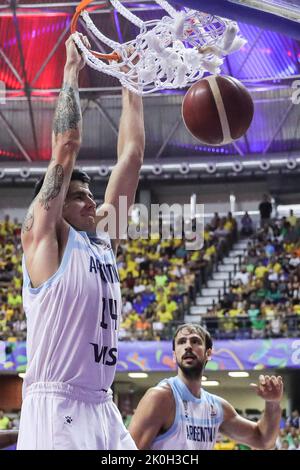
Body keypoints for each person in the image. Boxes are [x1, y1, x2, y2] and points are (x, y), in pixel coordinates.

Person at [17, 34, 145, 450]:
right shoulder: (43, 238)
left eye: (92, 195)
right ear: (55, 206)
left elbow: (132, 154)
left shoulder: (101, 240)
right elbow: (65, 147)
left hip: (102, 405)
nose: (92, 202)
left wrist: (132, 80)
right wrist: (72, 69)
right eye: (78, 196)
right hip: (57, 404)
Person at [129, 323, 284, 450]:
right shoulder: (160, 397)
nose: (188, 346)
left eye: (195, 341)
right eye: (182, 342)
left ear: (208, 353)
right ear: (174, 354)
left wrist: (272, 403)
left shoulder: (216, 407)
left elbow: (263, 440)